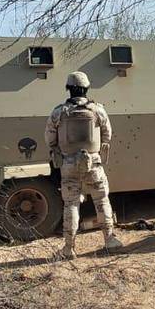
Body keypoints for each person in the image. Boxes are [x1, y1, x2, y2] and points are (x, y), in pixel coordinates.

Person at [45, 71, 123, 259]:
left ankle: (69, 248)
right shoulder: (98, 110)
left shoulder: (59, 112)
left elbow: (49, 139)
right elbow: (107, 134)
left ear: (68, 89)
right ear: (87, 88)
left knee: (71, 205)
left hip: (68, 164)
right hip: (94, 164)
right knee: (102, 200)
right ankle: (110, 240)